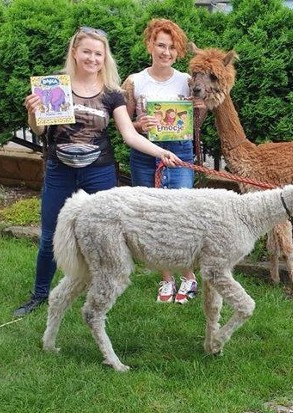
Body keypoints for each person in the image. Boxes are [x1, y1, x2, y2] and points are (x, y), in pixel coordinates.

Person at [14, 26, 179, 317]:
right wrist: (32, 112)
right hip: (60, 170)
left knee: (103, 237)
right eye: (87, 51)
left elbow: (129, 135)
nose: (92, 58)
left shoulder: (112, 94)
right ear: (75, 53)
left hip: (98, 172)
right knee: (50, 235)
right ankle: (39, 294)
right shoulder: (55, 89)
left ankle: (98, 291)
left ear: (105, 58)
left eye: (98, 53)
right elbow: (40, 130)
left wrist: (162, 152)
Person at [121, 18, 204, 304]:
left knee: (182, 216)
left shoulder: (187, 81)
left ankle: (189, 276)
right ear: (150, 46)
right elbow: (126, 124)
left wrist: (199, 109)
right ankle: (166, 279)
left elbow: (198, 120)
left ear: (177, 52)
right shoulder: (134, 81)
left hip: (179, 151)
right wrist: (139, 124)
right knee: (153, 218)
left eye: (172, 47)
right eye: (161, 45)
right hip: (145, 154)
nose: (166, 52)